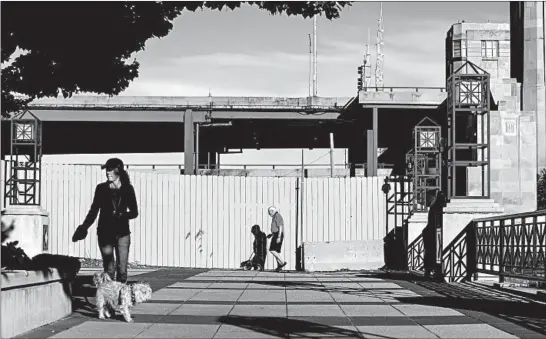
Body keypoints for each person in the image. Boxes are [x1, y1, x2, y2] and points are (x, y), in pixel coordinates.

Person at [72, 158, 139, 283]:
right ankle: (109, 299)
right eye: (106, 170)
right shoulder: (101, 188)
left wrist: (122, 215)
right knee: (109, 270)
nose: (107, 172)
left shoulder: (128, 189)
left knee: (122, 270)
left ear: (118, 170)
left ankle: (120, 299)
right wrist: (84, 227)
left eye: (110, 169)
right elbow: (94, 210)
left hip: (123, 233)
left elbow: (135, 212)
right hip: (105, 233)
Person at [267, 206, 287, 272]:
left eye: (269, 212)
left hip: (278, 234)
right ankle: (279, 267)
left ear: (272, 211)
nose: (269, 213)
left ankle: (282, 262)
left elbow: (280, 226)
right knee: (276, 251)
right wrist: (271, 234)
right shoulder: (275, 217)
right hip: (275, 234)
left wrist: (278, 237)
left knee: (272, 249)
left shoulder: (277, 216)